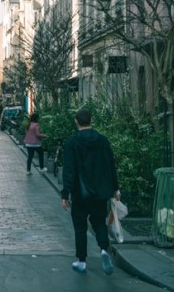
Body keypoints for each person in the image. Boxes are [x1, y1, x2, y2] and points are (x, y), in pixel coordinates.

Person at [60, 109, 120, 276]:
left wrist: (65, 194)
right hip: (100, 191)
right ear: (91, 120)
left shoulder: (72, 143)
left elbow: (69, 170)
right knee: (99, 222)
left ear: (76, 122)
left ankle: (82, 261)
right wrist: (115, 188)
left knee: (80, 227)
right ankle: (103, 250)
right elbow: (110, 165)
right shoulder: (102, 141)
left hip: (80, 192)